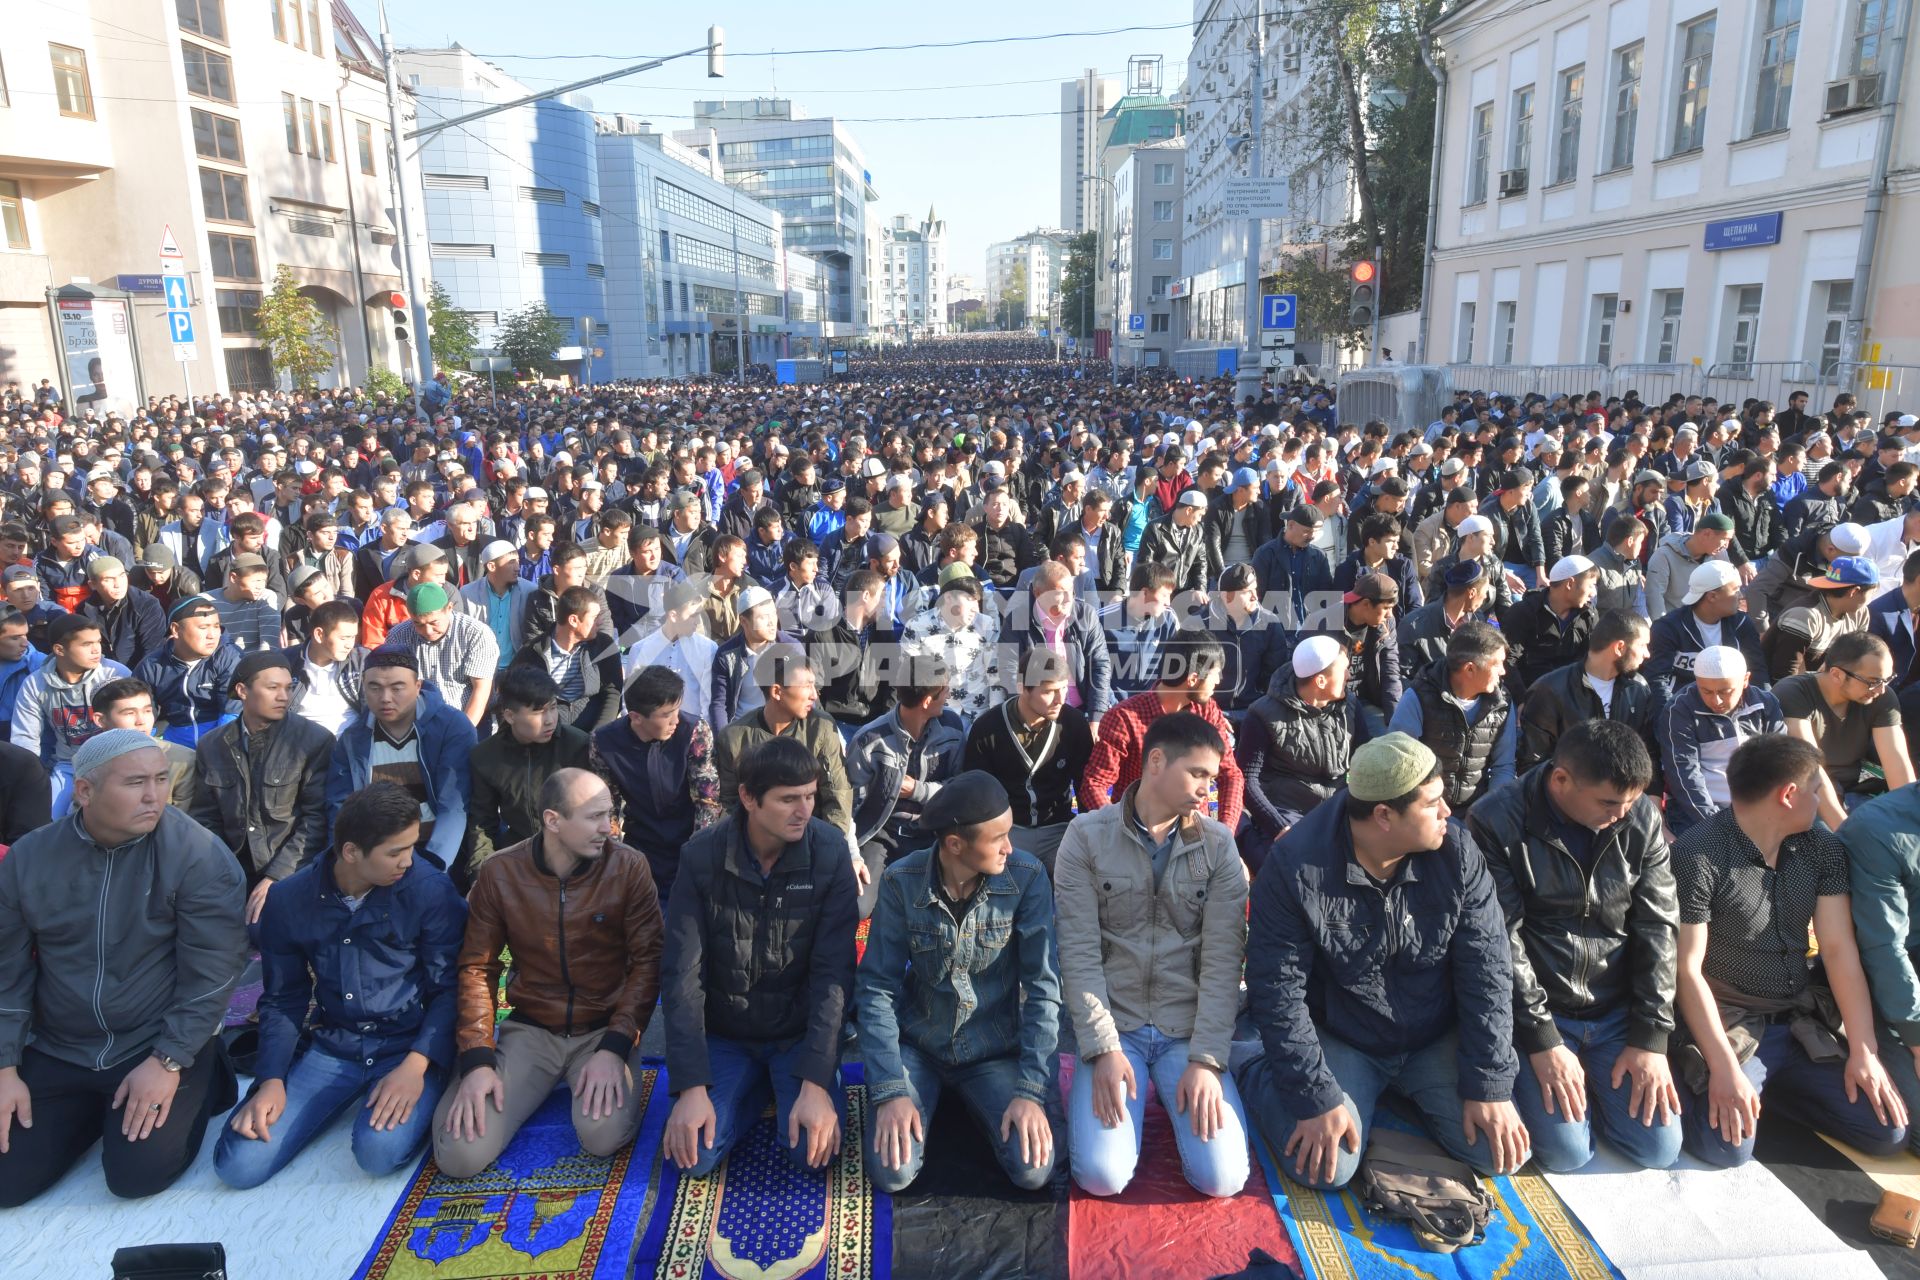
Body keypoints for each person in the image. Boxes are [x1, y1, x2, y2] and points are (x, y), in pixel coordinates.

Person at [1236, 733, 1528, 1191]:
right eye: (1432, 804)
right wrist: (1314, 1096)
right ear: (1384, 816)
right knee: (1328, 1168)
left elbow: (1487, 967)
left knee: (1498, 1154)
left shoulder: (1457, 852)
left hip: (1430, 1034)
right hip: (1345, 1034)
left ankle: (1398, 1094)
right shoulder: (1296, 866)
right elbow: (1277, 989)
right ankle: (1254, 1066)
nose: (1448, 813)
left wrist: (1488, 1084)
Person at [0, 729, 248, 1205]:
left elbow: (213, 971)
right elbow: (7, 971)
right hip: (60, 1045)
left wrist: (169, 1059)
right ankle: (89, 1108)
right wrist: (6, 1067)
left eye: (160, 779)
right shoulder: (29, 858)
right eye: (135, 783)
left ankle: (206, 1074)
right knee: (6, 1182)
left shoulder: (197, 854)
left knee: (136, 1177)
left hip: (152, 1042)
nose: (154, 795)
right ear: (85, 791)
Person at [214, 782, 468, 1188]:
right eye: (395, 852)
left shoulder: (429, 889)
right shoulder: (289, 900)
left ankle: (431, 1089)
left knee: (378, 1153)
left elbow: (450, 987)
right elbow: (283, 998)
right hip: (336, 1044)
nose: (409, 861)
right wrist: (271, 1079)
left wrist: (417, 1066)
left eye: (411, 847)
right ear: (351, 852)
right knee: (239, 1165)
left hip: (407, 1043)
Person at [1672, 735, 1908, 1166]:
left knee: (1885, 1131)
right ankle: (1721, 1078)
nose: (1823, 800)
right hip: (1729, 1023)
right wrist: (1724, 1069)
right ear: (1788, 795)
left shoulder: (1822, 849)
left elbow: (1838, 950)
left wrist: (1863, 1051)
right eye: (1817, 790)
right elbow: (1686, 971)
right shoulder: (1698, 854)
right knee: (1726, 1150)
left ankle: (1769, 1087)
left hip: (1795, 1022)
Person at [1465, 721, 1681, 1171]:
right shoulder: (1496, 820)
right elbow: (1501, 940)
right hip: (1541, 1010)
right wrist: (1542, 1039)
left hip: (1614, 1009)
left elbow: (1659, 926)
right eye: (1608, 803)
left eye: (1630, 802)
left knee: (1659, 1149)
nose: (1622, 814)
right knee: (1567, 1155)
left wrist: (1650, 1036)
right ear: (1561, 780)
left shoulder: (1639, 815)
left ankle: (1595, 1088)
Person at [1057, 713, 1251, 1197]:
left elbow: (1224, 962)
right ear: (1157, 762)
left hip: (1185, 1032)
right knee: (1102, 1177)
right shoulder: (1085, 838)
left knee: (1221, 1179)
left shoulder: (1219, 847)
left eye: (1213, 776)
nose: (1209, 788)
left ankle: (1229, 1070)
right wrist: (1102, 1049)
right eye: (1199, 773)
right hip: (1114, 1025)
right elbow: (1078, 953)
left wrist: (1207, 1060)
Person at [434, 770, 662, 1178]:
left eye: (609, 815)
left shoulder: (629, 867)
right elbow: (477, 967)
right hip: (531, 1030)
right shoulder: (500, 873)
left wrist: (615, 1047)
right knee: (460, 1156)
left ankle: (612, 1068)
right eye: (594, 817)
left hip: (602, 1028)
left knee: (601, 1136)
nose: (607, 828)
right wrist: (477, 1059)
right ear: (553, 820)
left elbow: (648, 963)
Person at [661, 737, 858, 1177]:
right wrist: (692, 1086)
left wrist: (815, 1081)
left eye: (809, 796)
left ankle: (780, 1086)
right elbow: (681, 976)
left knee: (811, 1153)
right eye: (788, 799)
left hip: (798, 1032)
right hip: (726, 1033)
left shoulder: (828, 853)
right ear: (749, 798)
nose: (804, 810)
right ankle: (752, 1091)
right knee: (695, 1155)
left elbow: (834, 975)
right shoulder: (701, 857)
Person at [859, 771, 1060, 1193]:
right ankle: (926, 1097)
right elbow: (877, 987)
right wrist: (891, 1090)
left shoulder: (1026, 878)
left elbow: (1043, 988)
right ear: (955, 845)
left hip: (993, 1050)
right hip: (919, 1046)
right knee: (892, 1174)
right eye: (999, 837)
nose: (1010, 846)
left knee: (1033, 1170)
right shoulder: (900, 880)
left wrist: (1030, 1091)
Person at [190, 652, 334, 926]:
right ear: (243, 691)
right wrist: (220, 874)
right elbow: (205, 818)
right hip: (230, 869)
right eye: (272, 688)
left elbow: (315, 820)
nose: (284, 696)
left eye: (288, 688)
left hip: (293, 870)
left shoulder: (314, 741)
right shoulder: (212, 745)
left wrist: (276, 877)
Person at [327, 649, 476, 877]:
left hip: (440, 853)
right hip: (376, 857)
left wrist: (434, 869)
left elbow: (453, 806)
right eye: (374, 687)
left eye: (397, 688)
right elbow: (341, 808)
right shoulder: (352, 739)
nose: (385, 697)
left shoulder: (452, 726)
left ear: (417, 687)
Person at [590, 664, 722, 900]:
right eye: (666, 714)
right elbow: (606, 806)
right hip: (640, 845)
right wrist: (615, 854)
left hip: (689, 842)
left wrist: (698, 852)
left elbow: (707, 799)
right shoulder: (604, 742)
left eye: (677, 710)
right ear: (636, 717)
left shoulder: (695, 731)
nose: (676, 720)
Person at [849, 659, 967, 917]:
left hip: (934, 832)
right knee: (858, 907)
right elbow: (849, 806)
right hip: (883, 835)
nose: (948, 694)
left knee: (949, 905)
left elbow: (959, 790)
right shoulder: (870, 740)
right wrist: (852, 854)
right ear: (927, 701)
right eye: (945, 690)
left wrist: (918, 790)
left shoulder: (953, 728)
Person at [961, 647, 1095, 872]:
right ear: (1023, 688)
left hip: (1059, 830)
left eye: (1064, 689)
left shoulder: (1074, 724)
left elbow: (1085, 785)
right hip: (1010, 832)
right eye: (1050, 691)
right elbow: (977, 794)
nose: (1060, 700)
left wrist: (1089, 836)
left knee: (1078, 877)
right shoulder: (987, 728)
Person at [713, 646, 858, 850]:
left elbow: (837, 794)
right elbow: (729, 804)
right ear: (777, 692)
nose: (814, 695)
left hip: (810, 837)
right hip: (756, 843)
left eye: (814, 685)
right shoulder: (734, 737)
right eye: (806, 686)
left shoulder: (821, 728)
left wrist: (830, 849)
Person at [1236, 635, 1363, 866]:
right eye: (1344, 670)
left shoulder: (1351, 707)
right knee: (1292, 865)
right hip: (1286, 809)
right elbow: (1247, 779)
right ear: (1321, 681)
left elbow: (1365, 758)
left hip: (1336, 806)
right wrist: (1278, 826)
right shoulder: (1262, 714)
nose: (1349, 676)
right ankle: (1246, 834)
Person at [1775, 631, 1916, 826]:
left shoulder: (1881, 697)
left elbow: (1897, 762)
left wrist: (1911, 822)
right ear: (1837, 674)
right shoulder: (1793, 693)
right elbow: (1811, 769)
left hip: (1854, 792)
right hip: (1807, 794)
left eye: (1887, 679)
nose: (1881, 689)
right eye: (1873, 681)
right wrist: (1846, 833)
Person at [469, 666, 593, 883]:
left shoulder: (577, 745)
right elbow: (482, 824)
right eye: (538, 712)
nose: (550, 720)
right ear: (509, 715)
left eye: (553, 708)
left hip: (576, 856)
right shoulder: (486, 757)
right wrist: (481, 876)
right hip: (519, 855)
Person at [1388, 619, 1516, 811]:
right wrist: (1430, 809)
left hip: (1477, 810)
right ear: (1470, 669)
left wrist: (1490, 813)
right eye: (1496, 664)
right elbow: (1399, 763)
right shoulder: (1419, 697)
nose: (1503, 671)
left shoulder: (1502, 703)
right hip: (1426, 809)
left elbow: (1503, 767)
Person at [11, 612, 131, 816]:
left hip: (113, 761)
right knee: (45, 819)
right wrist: (29, 781)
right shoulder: (35, 683)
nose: (96, 650)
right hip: (68, 764)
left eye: (98, 642)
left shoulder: (116, 675)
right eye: (86, 644)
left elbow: (134, 725)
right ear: (59, 650)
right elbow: (25, 739)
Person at [1517, 610, 1656, 771]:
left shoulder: (1639, 688)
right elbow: (1532, 764)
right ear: (1619, 647)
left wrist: (1652, 795)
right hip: (1569, 792)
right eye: (1642, 645)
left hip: (1625, 792)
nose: (1647, 654)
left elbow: (1648, 752)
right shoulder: (1549, 690)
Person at [1645, 560, 1769, 703]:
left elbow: (1758, 673)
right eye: (1735, 590)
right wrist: (1670, 717)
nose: (1740, 595)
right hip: (1683, 708)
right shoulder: (1667, 628)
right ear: (1712, 596)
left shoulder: (1742, 624)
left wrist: (1763, 709)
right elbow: (1657, 681)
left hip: (1731, 706)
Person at [382, 581, 499, 730]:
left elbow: (481, 690)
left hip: (469, 717)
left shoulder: (476, 634)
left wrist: (462, 733)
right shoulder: (398, 637)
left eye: (434, 622)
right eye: (418, 624)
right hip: (417, 721)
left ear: (449, 608)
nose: (428, 631)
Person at [135, 596, 241, 747]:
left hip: (220, 739)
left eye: (216, 626)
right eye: (203, 628)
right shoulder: (151, 666)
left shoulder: (229, 657)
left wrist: (217, 750)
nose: (212, 635)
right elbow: (143, 714)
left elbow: (231, 713)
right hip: (174, 738)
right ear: (176, 629)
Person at [1764, 555, 1878, 679]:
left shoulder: (1860, 614)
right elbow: (1785, 676)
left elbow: (1851, 657)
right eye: (1872, 593)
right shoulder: (1805, 616)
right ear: (1854, 591)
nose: (1871, 600)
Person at [1500, 555, 1599, 693]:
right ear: (1569, 584)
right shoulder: (1523, 612)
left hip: (1571, 693)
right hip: (1532, 693)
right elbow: (1509, 662)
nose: (1593, 593)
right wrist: (1522, 700)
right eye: (1590, 585)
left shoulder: (1588, 615)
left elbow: (1592, 659)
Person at [708, 584, 798, 731]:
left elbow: (802, 695)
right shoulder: (727, 654)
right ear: (744, 621)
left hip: (781, 730)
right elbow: (719, 704)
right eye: (763, 617)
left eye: (774, 614)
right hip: (742, 729)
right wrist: (724, 742)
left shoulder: (790, 648)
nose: (772, 623)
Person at [624, 581, 718, 716]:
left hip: (692, 731)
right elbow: (630, 701)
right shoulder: (640, 649)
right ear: (673, 615)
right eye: (693, 615)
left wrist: (700, 732)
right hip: (649, 730)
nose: (698, 622)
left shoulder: (708, 648)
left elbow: (709, 700)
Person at [79, 556, 165, 671]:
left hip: (137, 674)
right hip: (101, 673)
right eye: (108, 579)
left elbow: (153, 653)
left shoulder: (146, 605)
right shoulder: (85, 609)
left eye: (122, 576)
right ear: (93, 584)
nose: (118, 584)